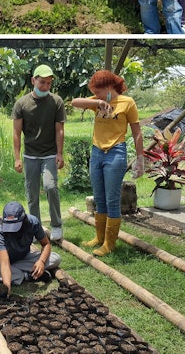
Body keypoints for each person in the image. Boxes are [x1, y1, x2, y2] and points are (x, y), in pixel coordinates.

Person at [72, 70, 145, 256]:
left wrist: (140, 158)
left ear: (110, 88)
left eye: (99, 92)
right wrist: (97, 101)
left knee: (112, 199)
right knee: (99, 197)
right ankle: (99, 238)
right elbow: (74, 102)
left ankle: (109, 244)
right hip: (97, 152)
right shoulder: (97, 101)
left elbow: (137, 132)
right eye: (94, 93)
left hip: (116, 152)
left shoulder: (127, 103)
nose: (96, 95)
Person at [12, 64, 65, 241]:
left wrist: (60, 153)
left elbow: (59, 130)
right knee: (32, 193)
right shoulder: (22, 104)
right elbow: (16, 133)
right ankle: (35, 228)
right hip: (30, 155)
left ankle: (56, 225)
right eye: (42, 82)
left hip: (49, 154)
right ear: (33, 80)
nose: (45, 87)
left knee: (51, 187)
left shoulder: (56, 102)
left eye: (49, 83)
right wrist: (17, 158)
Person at [0, 201, 61, 288]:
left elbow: (46, 244)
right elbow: (4, 262)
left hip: (23, 257)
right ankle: (25, 275)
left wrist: (41, 262)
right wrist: (7, 286)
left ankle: (13, 272)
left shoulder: (33, 222)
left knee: (55, 258)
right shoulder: (0, 231)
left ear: (24, 220)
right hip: (0, 259)